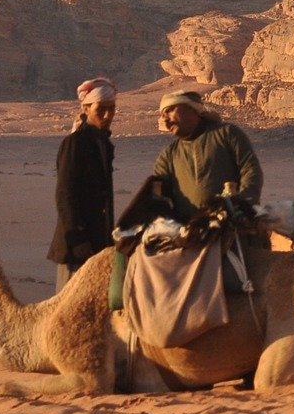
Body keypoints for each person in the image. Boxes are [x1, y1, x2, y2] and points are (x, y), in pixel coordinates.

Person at [137, 89, 262, 228]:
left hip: (233, 228)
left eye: (170, 110)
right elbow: (161, 197)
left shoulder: (227, 134)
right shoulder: (167, 156)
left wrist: (243, 206)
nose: (165, 119)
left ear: (192, 109)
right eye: (162, 115)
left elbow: (250, 171)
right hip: (190, 234)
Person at [49, 76, 117, 291]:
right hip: (76, 249)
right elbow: (65, 195)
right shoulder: (75, 143)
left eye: (112, 109)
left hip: (98, 245)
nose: (107, 115)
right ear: (86, 108)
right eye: (101, 109)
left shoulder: (103, 143)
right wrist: (78, 241)